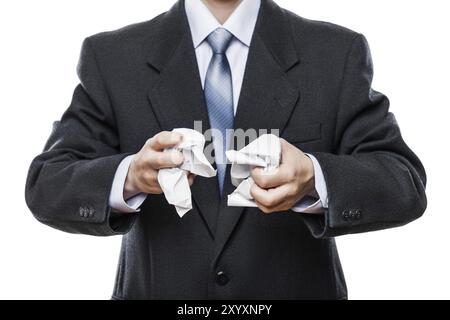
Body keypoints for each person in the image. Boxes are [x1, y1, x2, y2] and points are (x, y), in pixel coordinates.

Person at [25, 0, 427, 299]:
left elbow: (403, 181)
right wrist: (129, 176)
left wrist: (314, 178)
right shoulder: (113, 57)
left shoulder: (335, 53)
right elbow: (48, 183)